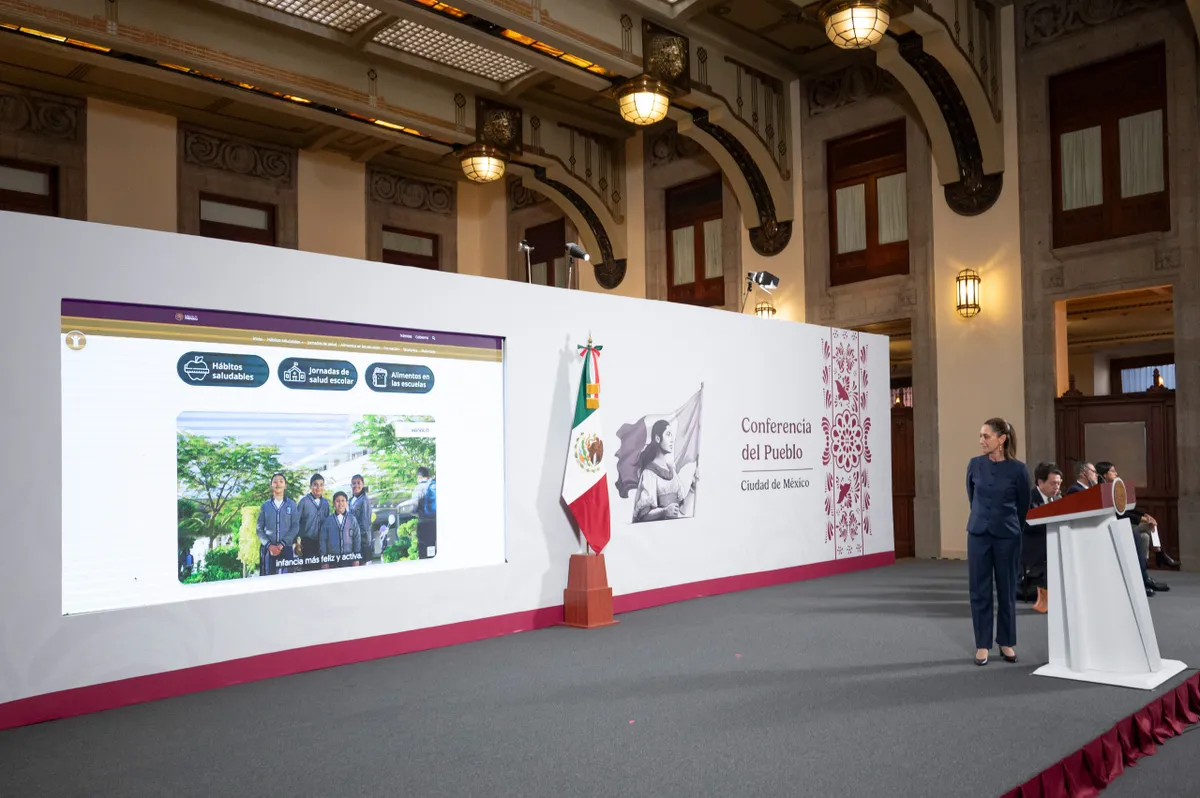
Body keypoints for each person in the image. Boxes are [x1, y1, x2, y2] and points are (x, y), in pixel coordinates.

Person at [966, 417, 1031, 667]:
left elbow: (1023, 506)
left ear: (1001, 439)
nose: (981, 441)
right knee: (979, 591)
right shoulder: (974, 465)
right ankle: (982, 644)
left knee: (1006, 590)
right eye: (980, 436)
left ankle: (1006, 641)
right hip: (978, 535)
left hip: (1007, 536)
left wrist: (1008, 525)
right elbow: (972, 498)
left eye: (986, 436)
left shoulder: (1018, 470)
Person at [1094, 462, 1169, 596]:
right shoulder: (1102, 490)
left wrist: (1145, 515)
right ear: (1104, 475)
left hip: (1126, 522)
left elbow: (1129, 507)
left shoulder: (1116, 488)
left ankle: (1145, 573)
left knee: (1146, 535)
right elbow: (1119, 512)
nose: (1116, 473)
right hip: (1115, 524)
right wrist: (1142, 519)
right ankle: (1159, 555)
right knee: (1147, 526)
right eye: (1113, 471)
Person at [632, 419, 698, 523]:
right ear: (658, 438)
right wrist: (664, 511)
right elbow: (643, 516)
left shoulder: (671, 471)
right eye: (668, 434)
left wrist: (692, 488)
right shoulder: (649, 473)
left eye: (672, 435)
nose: (672, 440)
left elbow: (682, 510)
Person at [1020, 462, 1062, 613]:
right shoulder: (1028, 499)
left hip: (1050, 540)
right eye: (1053, 483)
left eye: (1058, 483)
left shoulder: (1058, 499)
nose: (1056, 487)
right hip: (1033, 545)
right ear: (1040, 482)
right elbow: (1025, 525)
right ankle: (1045, 599)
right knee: (1052, 551)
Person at [256, 472, 299, 576]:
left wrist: (282, 544)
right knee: (268, 580)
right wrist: (270, 546)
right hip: (269, 550)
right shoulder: (265, 506)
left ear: (285, 485)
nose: (278, 484)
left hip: (286, 548)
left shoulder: (292, 505)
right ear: (271, 485)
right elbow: (259, 529)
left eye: (281, 481)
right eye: (275, 482)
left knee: (288, 580)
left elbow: (295, 527)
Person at [396, 467, 437, 559]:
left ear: (419, 477)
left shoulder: (419, 487)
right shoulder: (436, 485)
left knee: (424, 552)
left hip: (425, 523)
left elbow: (414, 505)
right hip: (437, 522)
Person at [296, 473, 330, 572]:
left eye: (321, 484)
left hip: (323, 544)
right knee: (308, 571)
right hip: (307, 543)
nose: (318, 487)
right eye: (315, 484)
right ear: (311, 486)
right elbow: (295, 523)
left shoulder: (326, 503)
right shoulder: (304, 502)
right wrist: (296, 543)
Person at [320, 491, 363, 568]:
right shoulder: (328, 521)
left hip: (349, 558)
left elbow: (357, 539)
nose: (340, 503)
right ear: (333, 504)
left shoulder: (352, 519)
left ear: (346, 503)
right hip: (332, 559)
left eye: (343, 500)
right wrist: (324, 560)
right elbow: (323, 540)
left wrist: (356, 558)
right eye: (337, 501)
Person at [349, 474, 373, 564]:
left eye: (358, 483)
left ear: (363, 485)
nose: (356, 486)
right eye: (354, 483)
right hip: (351, 541)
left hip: (361, 542)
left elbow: (366, 523)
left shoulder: (364, 500)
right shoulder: (350, 500)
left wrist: (364, 542)